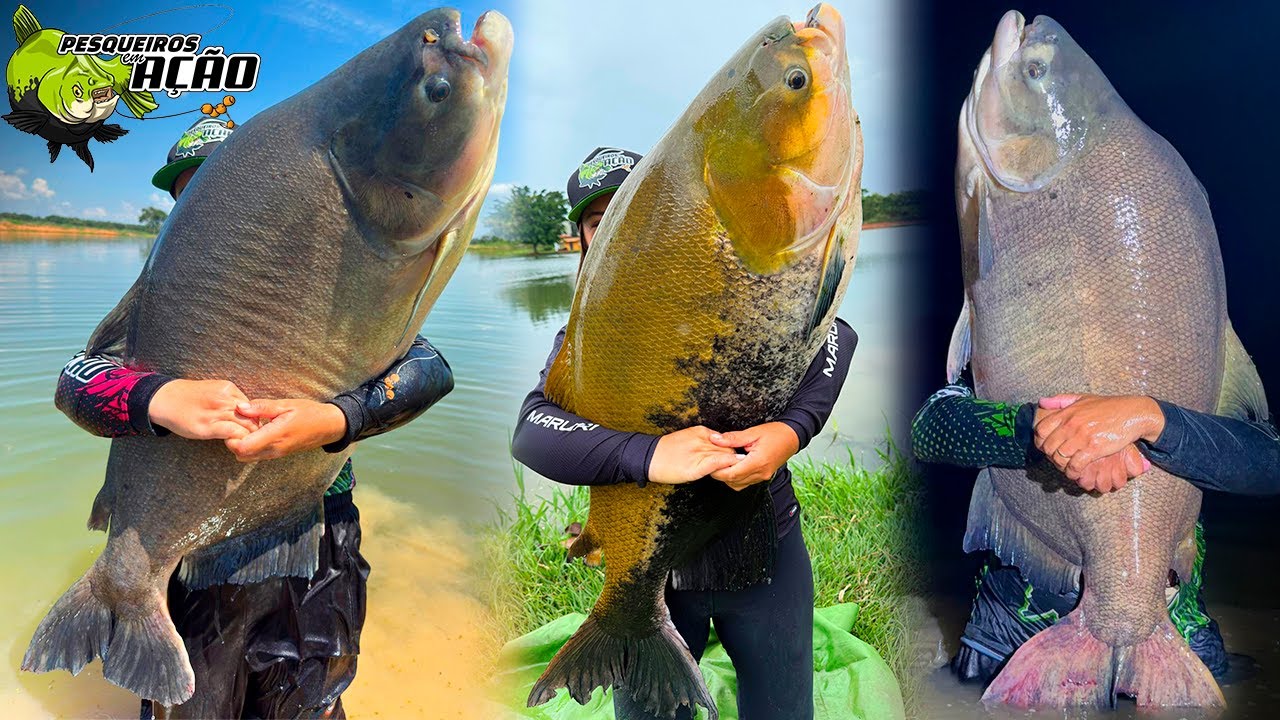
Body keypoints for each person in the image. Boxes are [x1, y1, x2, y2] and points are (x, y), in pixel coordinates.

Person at [55, 115, 455, 719]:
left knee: (311, 700)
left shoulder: (333, 288)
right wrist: (158, 399)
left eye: (226, 185)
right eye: (192, 193)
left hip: (318, 533)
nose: (213, 207)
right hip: (189, 551)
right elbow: (75, 379)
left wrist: (336, 418)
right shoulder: (155, 298)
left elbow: (430, 368)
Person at [510, 147, 859, 720]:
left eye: (631, 212)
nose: (616, 230)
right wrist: (649, 455)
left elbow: (834, 334)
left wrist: (791, 432)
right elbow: (532, 430)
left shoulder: (728, 286)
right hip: (656, 574)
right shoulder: (583, 341)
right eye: (600, 221)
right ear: (581, 238)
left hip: (766, 547)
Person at [911, 377, 1280, 682]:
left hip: (1178, 637)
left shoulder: (1188, 324)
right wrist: (1049, 429)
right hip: (1013, 639)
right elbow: (928, 428)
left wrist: (1151, 418)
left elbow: (1271, 461)